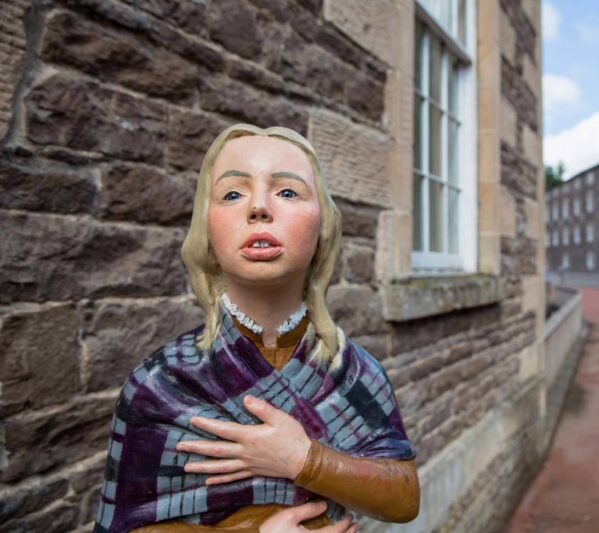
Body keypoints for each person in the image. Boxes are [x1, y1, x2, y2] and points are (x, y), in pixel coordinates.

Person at [93, 125, 420, 532]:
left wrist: (304, 459)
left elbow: (404, 496)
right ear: (207, 229)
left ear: (323, 228)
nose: (259, 207)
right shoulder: (161, 383)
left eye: (287, 192)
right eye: (233, 194)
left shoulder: (355, 371)